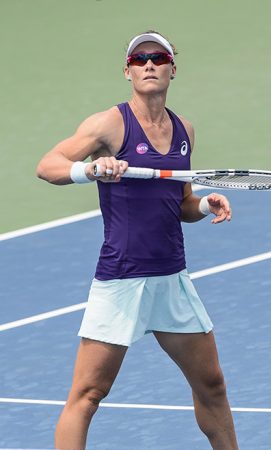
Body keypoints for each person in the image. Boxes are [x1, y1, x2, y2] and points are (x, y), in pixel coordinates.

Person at [36, 31, 239, 449]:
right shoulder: (109, 125)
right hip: (122, 279)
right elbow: (48, 165)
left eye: (158, 57)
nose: (149, 64)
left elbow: (180, 203)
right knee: (88, 394)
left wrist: (204, 205)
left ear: (172, 69)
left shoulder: (184, 130)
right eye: (139, 58)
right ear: (127, 71)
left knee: (212, 385)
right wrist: (90, 170)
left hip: (171, 279)